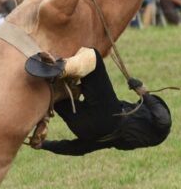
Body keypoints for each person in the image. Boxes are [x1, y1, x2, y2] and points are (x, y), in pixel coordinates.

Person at [35, 48, 172, 156]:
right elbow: (77, 149)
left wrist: (144, 93)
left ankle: (61, 69)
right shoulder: (122, 140)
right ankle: (50, 86)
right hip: (84, 130)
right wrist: (44, 145)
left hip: (109, 117)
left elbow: (163, 119)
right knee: (54, 95)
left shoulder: (162, 129)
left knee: (93, 57)